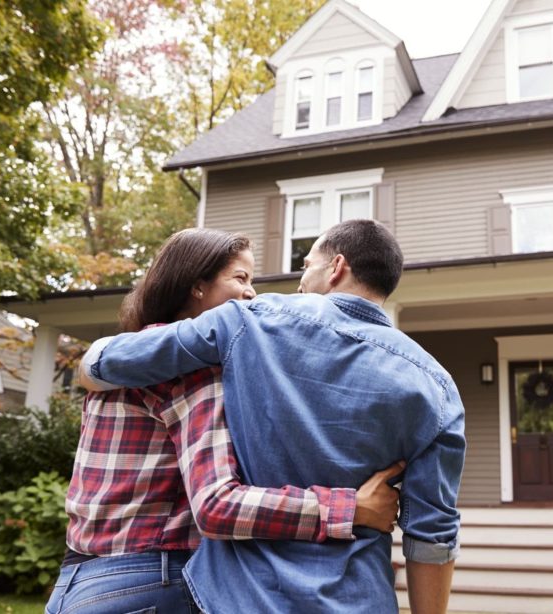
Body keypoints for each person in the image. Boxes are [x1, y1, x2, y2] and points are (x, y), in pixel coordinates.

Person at [80, 220, 465, 614]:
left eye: (306, 266)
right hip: (359, 600)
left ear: (336, 268)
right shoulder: (437, 386)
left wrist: (90, 366)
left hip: (241, 599)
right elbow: (432, 535)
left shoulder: (248, 320)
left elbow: (107, 362)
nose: (299, 281)